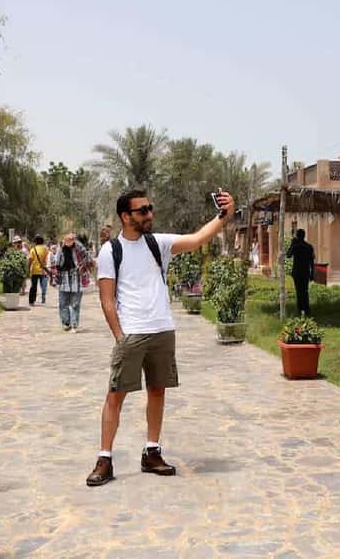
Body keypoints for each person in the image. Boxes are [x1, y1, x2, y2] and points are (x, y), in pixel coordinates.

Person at [85, 187, 235, 487]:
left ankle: (152, 452)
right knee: (115, 395)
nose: (149, 214)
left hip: (162, 330)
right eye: (142, 210)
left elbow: (197, 239)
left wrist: (224, 215)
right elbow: (106, 299)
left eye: (150, 208)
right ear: (125, 216)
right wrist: (120, 336)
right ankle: (105, 459)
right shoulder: (111, 251)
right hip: (132, 333)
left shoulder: (158, 243)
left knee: (158, 391)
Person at [50, 232, 92, 332]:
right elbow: (56, 263)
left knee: (75, 304)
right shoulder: (61, 249)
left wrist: (82, 265)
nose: (69, 242)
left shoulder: (78, 248)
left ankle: (74, 324)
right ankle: (66, 323)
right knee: (63, 304)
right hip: (64, 280)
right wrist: (54, 275)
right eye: (67, 240)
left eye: (71, 239)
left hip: (77, 280)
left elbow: (88, 257)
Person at [286, 229, 315, 316]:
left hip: (297, 272)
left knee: (298, 291)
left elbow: (288, 255)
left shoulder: (295, 247)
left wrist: (292, 244)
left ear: (297, 236)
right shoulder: (309, 246)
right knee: (305, 291)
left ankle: (300, 309)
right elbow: (312, 261)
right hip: (305, 271)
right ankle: (306, 309)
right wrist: (312, 273)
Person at [27, 235, 50, 306]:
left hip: (34, 270)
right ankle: (43, 297)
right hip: (43, 270)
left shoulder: (33, 249)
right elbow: (48, 259)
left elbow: (30, 260)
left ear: (35, 242)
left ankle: (31, 301)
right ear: (42, 241)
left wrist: (28, 269)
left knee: (33, 286)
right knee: (43, 285)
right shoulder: (45, 249)